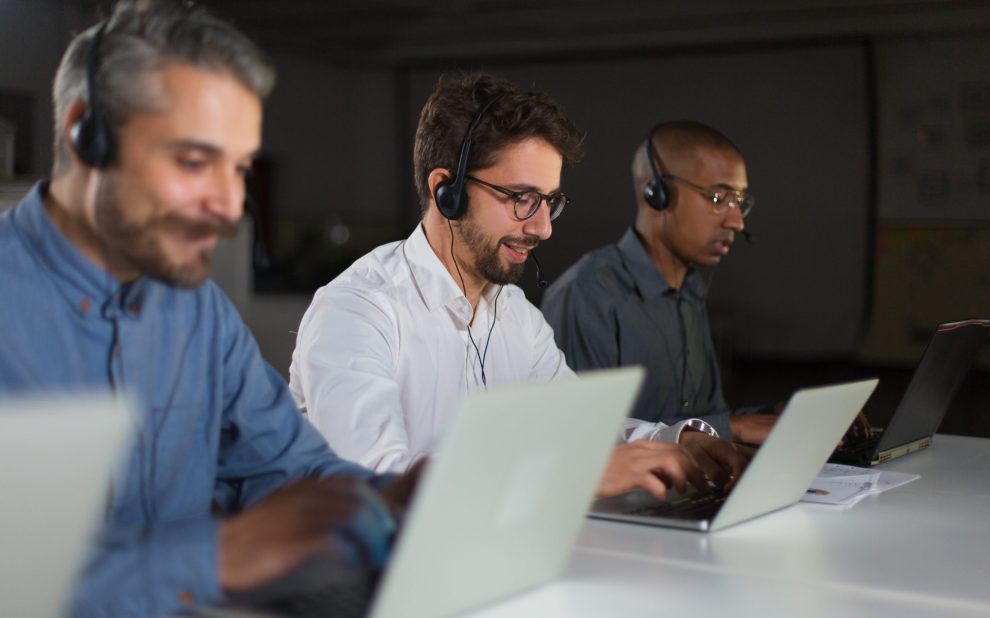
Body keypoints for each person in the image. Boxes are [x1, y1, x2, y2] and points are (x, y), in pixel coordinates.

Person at [0, 3, 413, 616]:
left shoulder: (198, 314)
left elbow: (289, 468)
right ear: (88, 135)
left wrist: (400, 500)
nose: (229, 207)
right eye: (194, 162)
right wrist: (217, 556)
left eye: (239, 168)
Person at [289, 74, 748, 501]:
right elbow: (376, 485)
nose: (544, 228)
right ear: (447, 191)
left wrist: (678, 441)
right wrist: (570, 472)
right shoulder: (357, 311)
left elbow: (579, 426)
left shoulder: (516, 314)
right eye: (523, 199)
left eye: (550, 201)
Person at [542, 121, 778, 444]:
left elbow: (707, 415)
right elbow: (585, 438)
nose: (736, 221)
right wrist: (733, 427)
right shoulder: (587, 293)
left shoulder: (689, 290)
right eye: (718, 197)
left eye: (739, 201)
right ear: (658, 195)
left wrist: (773, 416)